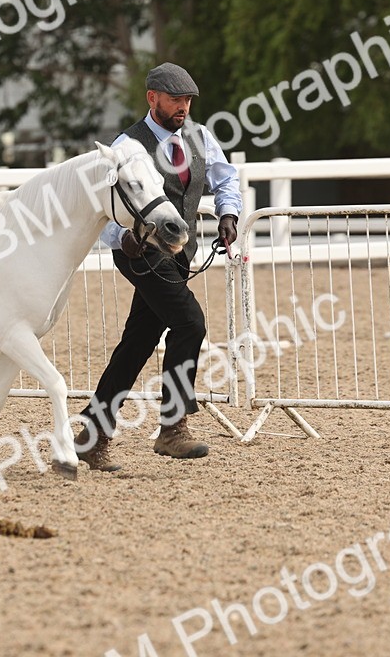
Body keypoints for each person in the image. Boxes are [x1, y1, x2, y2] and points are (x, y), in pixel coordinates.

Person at [75, 62, 242, 471]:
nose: (183, 106)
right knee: (190, 323)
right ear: (152, 98)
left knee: (137, 343)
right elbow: (108, 201)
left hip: (179, 252)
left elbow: (225, 178)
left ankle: (91, 436)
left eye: (187, 100)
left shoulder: (200, 137)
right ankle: (172, 428)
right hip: (141, 252)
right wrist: (121, 239)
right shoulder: (127, 145)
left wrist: (228, 214)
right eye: (175, 99)